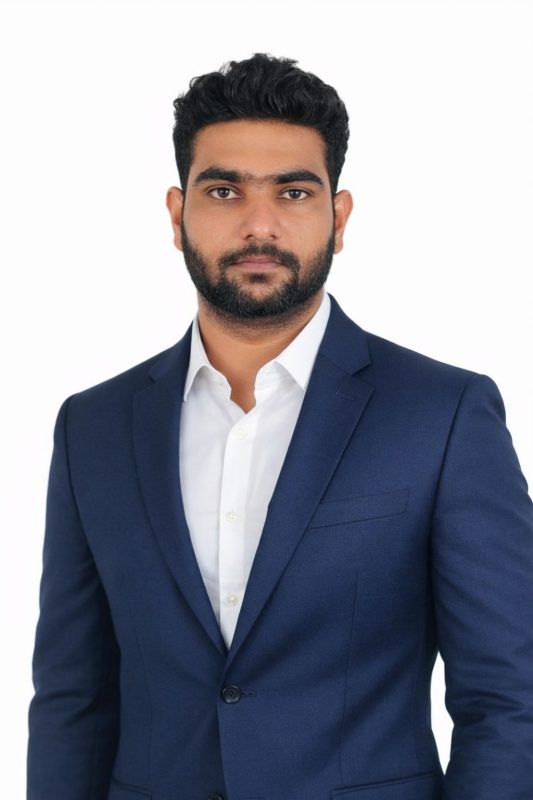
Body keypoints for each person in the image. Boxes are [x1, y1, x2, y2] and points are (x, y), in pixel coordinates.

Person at [27, 53, 533, 800]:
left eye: (293, 192)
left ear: (338, 216)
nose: (258, 225)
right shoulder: (92, 428)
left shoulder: (443, 415)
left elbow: (509, 700)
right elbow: (73, 701)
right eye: (223, 190)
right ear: (177, 215)